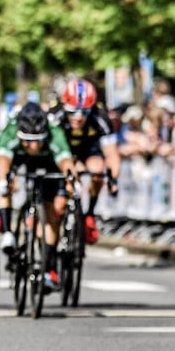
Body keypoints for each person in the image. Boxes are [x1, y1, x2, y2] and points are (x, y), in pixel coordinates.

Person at [0, 102, 76, 292]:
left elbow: (66, 161)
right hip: (19, 159)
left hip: (48, 162)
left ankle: (47, 264)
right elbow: (2, 161)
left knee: (51, 211)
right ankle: (7, 233)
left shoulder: (54, 131)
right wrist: (4, 181)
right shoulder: (12, 129)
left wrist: (72, 182)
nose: (33, 145)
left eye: (38, 140)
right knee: (1, 183)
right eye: (28, 140)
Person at [47, 78, 120, 244]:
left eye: (84, 112)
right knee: (58, 206)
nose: (78, 117)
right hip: (62, 153)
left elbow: (112, 153)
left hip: (88, 151)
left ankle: (89, 214)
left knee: (98, 169)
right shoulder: (54, 116)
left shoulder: (101, 117)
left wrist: (113, 180)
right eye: (72, 111)